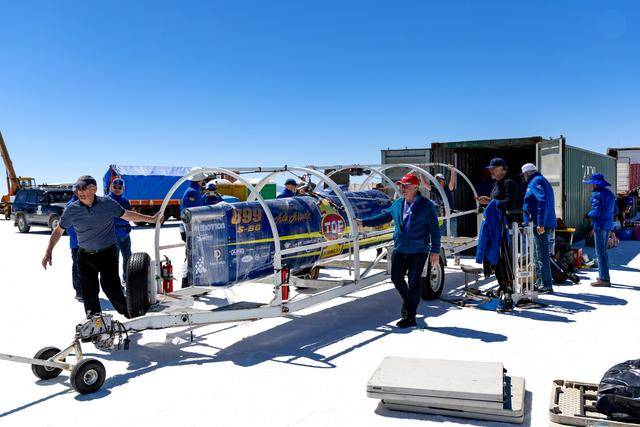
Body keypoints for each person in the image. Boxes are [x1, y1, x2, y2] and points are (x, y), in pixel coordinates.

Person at [42, 175, 161, 317]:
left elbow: (127, 215)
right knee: (89, 292)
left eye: (83, 187)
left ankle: (131, 316)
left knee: (112, 289)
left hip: (107, 254)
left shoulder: (107, 204)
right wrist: (48, 251)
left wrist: (151, 219)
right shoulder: (72, 210)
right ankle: (95, 321)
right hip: (85, 256)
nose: (80, 191)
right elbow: (58, 231)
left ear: (94, 189)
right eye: (77, 188)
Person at [357, 173, 441, 328]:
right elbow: (383, 217)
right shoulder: (397, 204)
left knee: (414, 282)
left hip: (419, 250)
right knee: (396, 278)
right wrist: (364, 222)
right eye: (401, 185)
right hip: (400, 249)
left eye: (406, 186)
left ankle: (409, 316)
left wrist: (435, 251)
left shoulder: (426, 205)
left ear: (415, 187)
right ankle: (410, 303)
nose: (403, 188)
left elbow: (435, 229)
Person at [476, 158, 518, 311]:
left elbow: (509, 203)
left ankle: (507, 292)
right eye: (490, 169)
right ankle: (503, 289)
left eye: (493, 168)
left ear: (503, 168)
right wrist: (488, 200)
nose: (491, 171)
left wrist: (493, 202)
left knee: (503, 260)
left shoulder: (509, 183)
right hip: (496, 228)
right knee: (498, 260)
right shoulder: (496, 184)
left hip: (504, 228)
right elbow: (497, 202)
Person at [521, 163, 557, 294]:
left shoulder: (536, 182)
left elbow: (542, 201)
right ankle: (540, 282)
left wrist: (540, 223)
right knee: (537, 255)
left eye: (524, 175)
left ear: (526, 174)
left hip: (540, 224)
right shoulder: (541, 180)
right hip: (541, 223)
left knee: (541, 255)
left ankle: (546, 285)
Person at [584, 173, 615, 287]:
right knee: (604, 251)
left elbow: (596, 211)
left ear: (595, 184)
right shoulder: (610, 194)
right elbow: (615, 210)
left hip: (600, 225)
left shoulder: (597, 195)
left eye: (592, 183)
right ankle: (604, 275)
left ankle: (604, 279)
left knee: (600, 252)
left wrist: (588, 214)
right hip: (608, 224)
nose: (591, 185)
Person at [108, 178, 133, 284]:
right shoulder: (107, 200)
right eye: (115, 187)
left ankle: (126, 279)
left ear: (123, 188)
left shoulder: (125, 201)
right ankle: (115, 283)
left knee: (128, 258)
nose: (117, 189)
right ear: (111, 187)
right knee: (114, 261)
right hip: (113, 236)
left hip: (125, 235)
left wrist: (127, 224)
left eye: (119, 187)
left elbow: (129, 216)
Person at [426, 167, 457, 237]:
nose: (438, 182)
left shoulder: (447, 188)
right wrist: (420, 172)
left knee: (453, 236)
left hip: (450, 214)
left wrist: (453, 172)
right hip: (440, 216)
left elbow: (452, 184)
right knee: (440, 236)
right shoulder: (435, 190)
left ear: (444, 181)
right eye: (436, 181)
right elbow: (425, 184)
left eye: (439, 180)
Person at [180, 168, 207, 241]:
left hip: (193, 224)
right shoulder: (192, 192)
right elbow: (190, 210)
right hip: (192, 225)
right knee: (192, 244)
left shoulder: (194, 190)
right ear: (200, 180)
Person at [66, 186, 82, 301]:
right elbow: (69, 227)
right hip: (76, 244)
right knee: (77, 267)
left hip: (88, 243)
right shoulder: (70, 206)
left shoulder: (85, 203)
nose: (79, 191)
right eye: (77, 190)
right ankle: (79, 291)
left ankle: (87, 290)